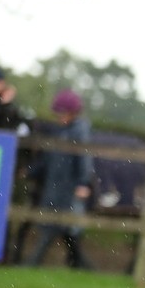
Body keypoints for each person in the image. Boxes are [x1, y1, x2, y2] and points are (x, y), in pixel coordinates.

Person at [24, 89, 94, 269]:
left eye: (62, 113)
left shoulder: (79, 132)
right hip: (55, 188)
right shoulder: (60, 132)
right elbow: (48, 159)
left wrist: (82, 183)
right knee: (65, 231)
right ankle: (81, 267)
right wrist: (30, 172)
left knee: (59, 229)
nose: (59, 116)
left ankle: (33, 264)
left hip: (68, 188)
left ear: (72, 113)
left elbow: (84, 158)